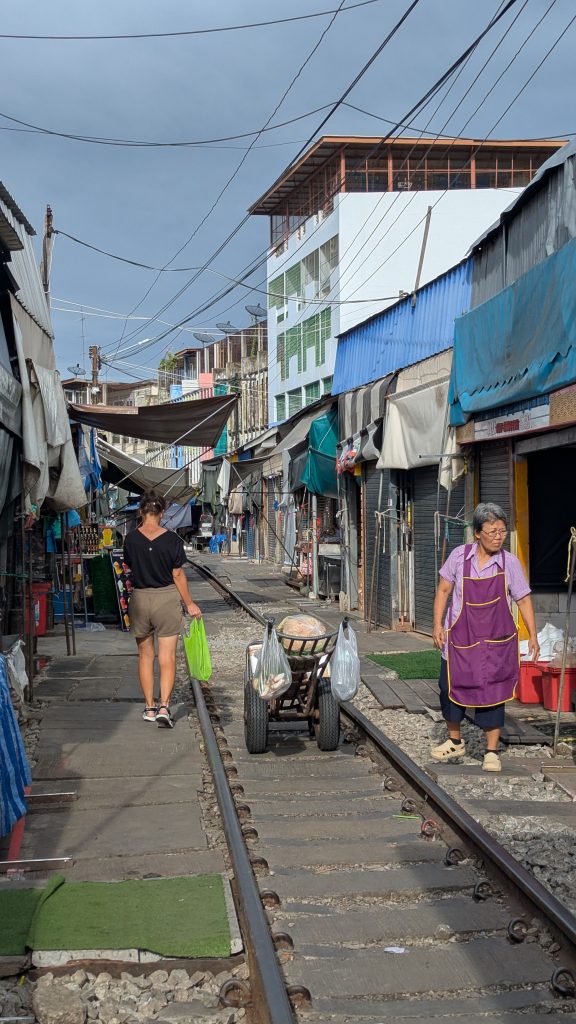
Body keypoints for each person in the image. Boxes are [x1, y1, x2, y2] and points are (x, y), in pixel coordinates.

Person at [431, 502, 539, 772]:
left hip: (496, 642)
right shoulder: (458, 556)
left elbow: (523, 600)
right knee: (449, 687)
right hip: (459, 640)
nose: (498, 536)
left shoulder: (509, 563)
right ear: (477, 533)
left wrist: (533, 635)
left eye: (502, 531)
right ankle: (455, 740)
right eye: (492, 531)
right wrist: (436, 625)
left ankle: (492, 751)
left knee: (493, 691)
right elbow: (444, 591)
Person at [123, 491, 202, 728]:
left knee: (145, 656)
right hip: (166, 599)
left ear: (141, 511)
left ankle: (148, 707)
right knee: (166, 657)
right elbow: (177, 574)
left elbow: (129, 565)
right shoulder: (173, 541)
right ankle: (164, 707)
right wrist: (189, 603)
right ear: (163, 512)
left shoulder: (130, 539)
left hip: (139, 599)